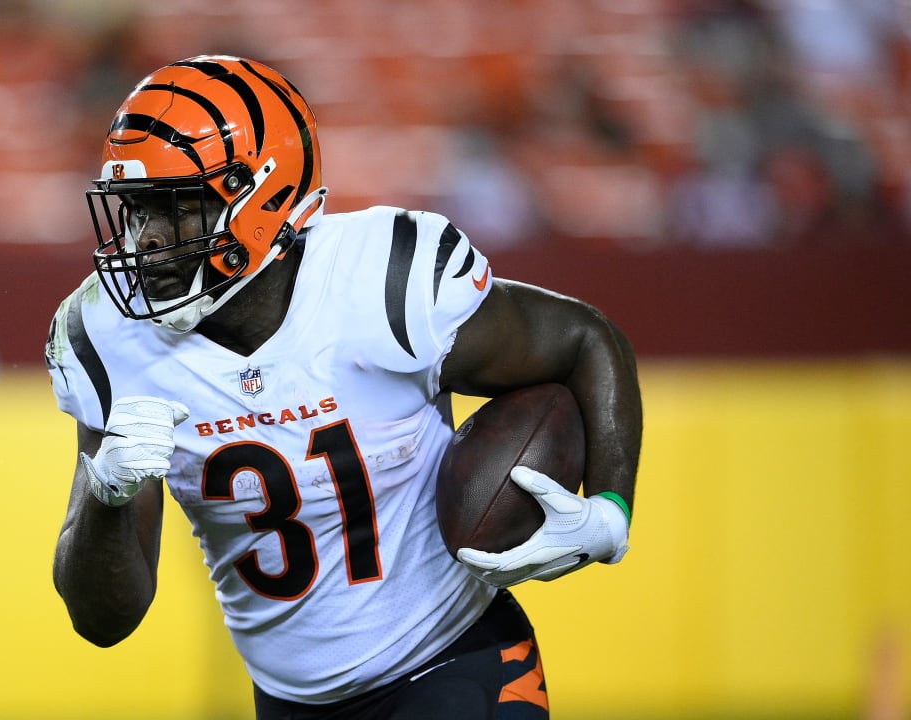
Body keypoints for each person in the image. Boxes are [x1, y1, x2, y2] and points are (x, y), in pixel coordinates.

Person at [45, 55, 642, 719]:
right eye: (133, 212)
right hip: (289, 704)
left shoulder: (383, 283)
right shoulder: (105, 336)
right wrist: (107, 495)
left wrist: (611, 508)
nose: (145, 241)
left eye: (174, 209)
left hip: (454, 660)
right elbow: (103, 621)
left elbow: (587, 338)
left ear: (260, 197)